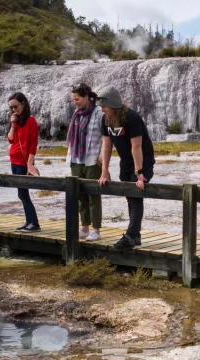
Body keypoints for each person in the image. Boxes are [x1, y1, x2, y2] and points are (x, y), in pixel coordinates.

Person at [96, 86, 155, 252]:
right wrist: (104, 171)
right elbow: (106, 145)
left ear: (113, 105)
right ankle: (135, 235)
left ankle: (130, 236)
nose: (102, 109)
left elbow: (137, 147)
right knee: (129, 196)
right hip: (125, 161)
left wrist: (139, 173)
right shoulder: (105, 119)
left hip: (143, 160)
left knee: (135, 194)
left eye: (104, 106)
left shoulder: (131, 117)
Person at [67, 83, 105, 242]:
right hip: (76, 159)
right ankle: (84, 227)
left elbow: (106, 138)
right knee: (80, 194)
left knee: (93, 195)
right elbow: (72, 138)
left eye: (77, 99)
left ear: (87, 97)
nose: (74, 102)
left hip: (92, 159)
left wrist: (102, 157)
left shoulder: (99, 114)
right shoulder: (77, 113)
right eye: (73, 99)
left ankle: (96, 229)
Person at [7, 92, 40, 232]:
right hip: (13, 160)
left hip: (22, 162)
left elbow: (33, 142)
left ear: (23, 104)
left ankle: (34, 223)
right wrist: (13, 125)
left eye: (15, 107)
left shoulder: (31, 120)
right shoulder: (17, 121)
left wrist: (30, 162)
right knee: (21, 193)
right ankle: (29, 222)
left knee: (23, 193)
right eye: (11, 108)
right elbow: (10, 139)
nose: (14, 110)